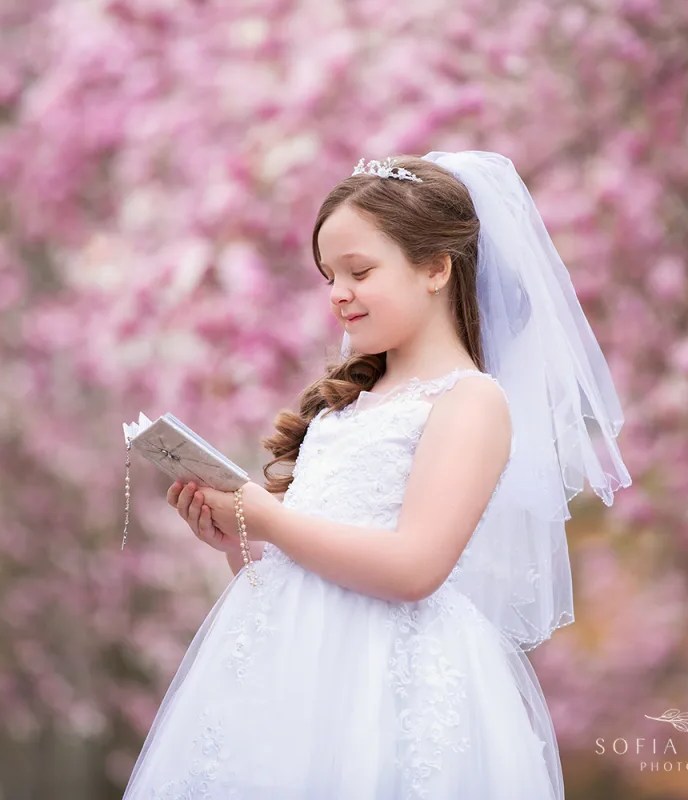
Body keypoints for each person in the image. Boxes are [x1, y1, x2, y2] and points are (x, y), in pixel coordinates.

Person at [122, 151, 631, 800]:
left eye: (359, 271)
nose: (338, 292)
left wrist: (269, 515)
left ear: (436, 268)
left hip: (388, 679)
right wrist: (240, 541)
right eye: (329, 275)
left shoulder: (470, 400)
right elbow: (306, 555)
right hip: (287, 673)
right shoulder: (346, 406)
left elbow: (415, 567)